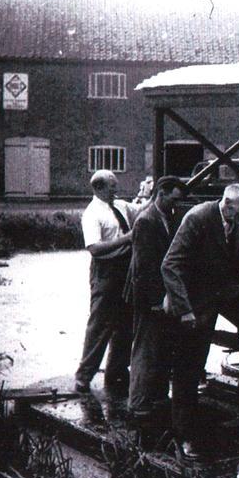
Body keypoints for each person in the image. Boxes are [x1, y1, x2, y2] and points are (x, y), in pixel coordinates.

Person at [161, 183, 239, 457]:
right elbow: (170, 265)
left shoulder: (235, 221)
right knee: (190, 363)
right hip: (195, 294)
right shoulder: (197, 218)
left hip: (222, 289)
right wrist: (184, 310)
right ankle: (183, 435)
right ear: (227, 204)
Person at [74, 170, 147, 396]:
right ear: (99, 188)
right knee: (100, 325)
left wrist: (153, 193)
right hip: (106, 271)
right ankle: (83, 377)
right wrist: (128, 238)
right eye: (112, 187)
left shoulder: (121, 206)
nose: (116, 190)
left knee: (126, 323)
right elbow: (94, 249)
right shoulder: (92, 214)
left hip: (126, 269)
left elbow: (142, 209)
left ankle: (116, 372)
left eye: (115, 186)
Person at [124, 176, 187, 420]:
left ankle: (156, 397)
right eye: (173, 198)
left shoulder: (164, 216)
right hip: (147, 296)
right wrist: (154, 301)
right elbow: (143, 267)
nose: (175, 204)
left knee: (158, 348)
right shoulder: (146, 221)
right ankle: (138, 402)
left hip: (159, 295)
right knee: (144, 349)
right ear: (160, 192)